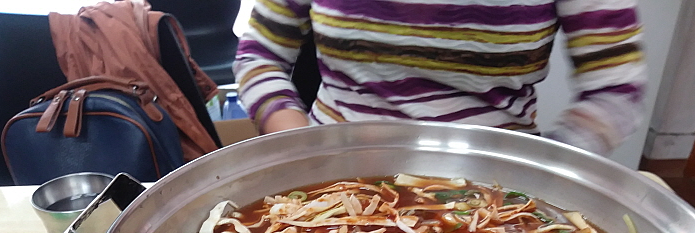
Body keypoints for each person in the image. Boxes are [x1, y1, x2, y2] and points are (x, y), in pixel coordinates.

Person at [232, 0, 646, 156]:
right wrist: (302, 152)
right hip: (333, 172)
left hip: (494, 190)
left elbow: (616, 91)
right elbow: (260, 55)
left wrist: (543, 178)